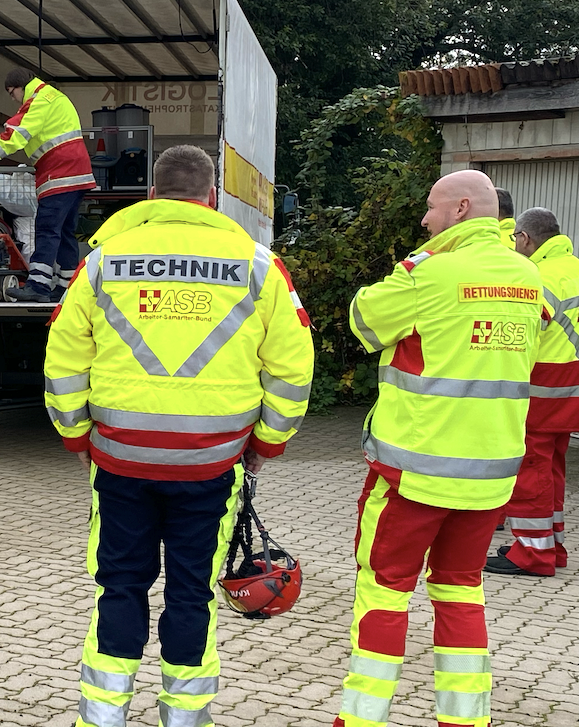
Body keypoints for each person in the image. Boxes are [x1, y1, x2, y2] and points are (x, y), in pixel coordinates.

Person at [44, 145, 315, 727]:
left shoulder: (101, 262)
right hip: (212, 467)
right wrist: (267, 443)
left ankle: (103, 717)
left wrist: (75, 434)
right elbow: (293, 369)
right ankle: (184, 718)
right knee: (191, 594)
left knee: (119, 588)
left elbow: (64, 358)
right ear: (211, 197)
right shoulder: (259, 265)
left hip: (119, 462)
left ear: (150, 198)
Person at [335, 170, 544, 727]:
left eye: (431, 208)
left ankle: (361, 719)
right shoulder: (528, 276)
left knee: (384, 592)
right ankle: (466, 718)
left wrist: (411, 266)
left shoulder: (427, 272)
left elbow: (363, 319)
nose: (424, 220)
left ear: (460, 209)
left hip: (413, 473)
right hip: (491, 477)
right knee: (461, 591)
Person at [486, 207, 579, 577]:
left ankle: (532, 553)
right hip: (571, 387)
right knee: (553, 467)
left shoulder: (537, 278)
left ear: (525, 238)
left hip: (545, 386)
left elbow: (523, 334)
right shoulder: (573, 267)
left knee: (531, 467)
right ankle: (550, 545)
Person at [0, 68, 95, 302]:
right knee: (65, 231)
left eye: (11, 93)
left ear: (17, 87)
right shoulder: (55, 97)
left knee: (46, 228)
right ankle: (66, 287)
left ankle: (38, 285)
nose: (13, 99)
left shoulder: (39, 100)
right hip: (76, 173)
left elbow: (16, 134)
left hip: (59, 173)